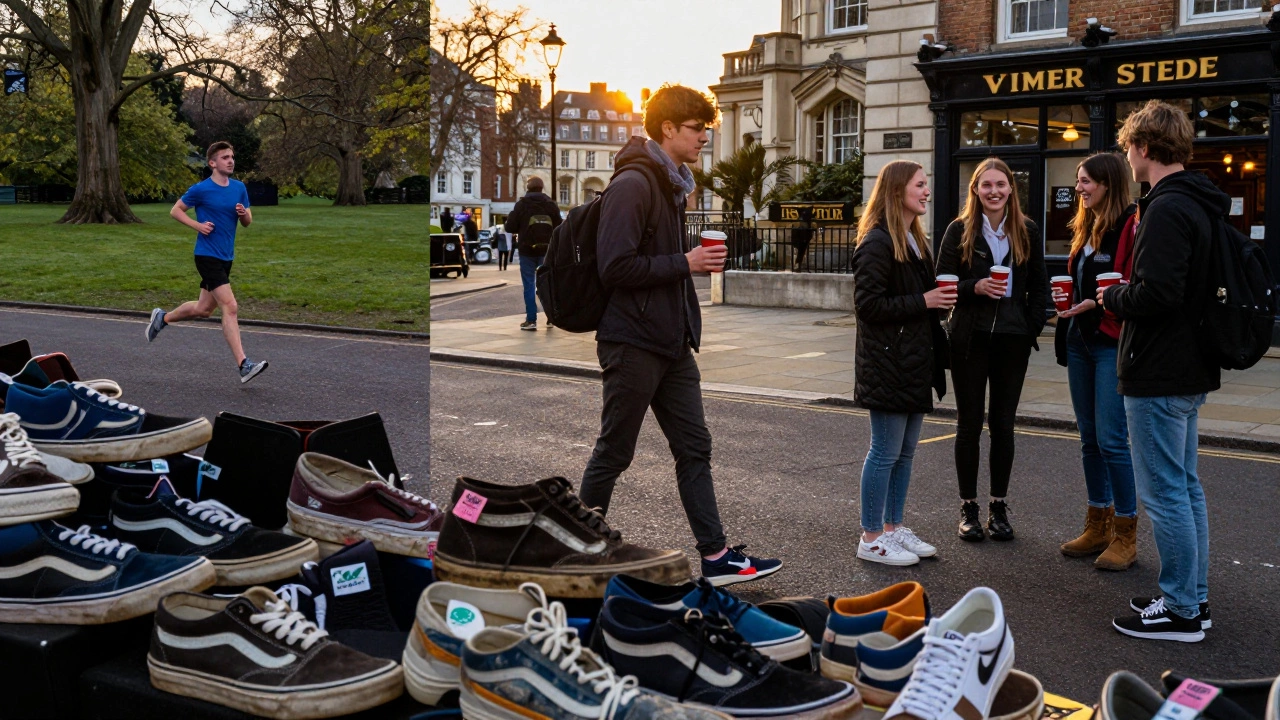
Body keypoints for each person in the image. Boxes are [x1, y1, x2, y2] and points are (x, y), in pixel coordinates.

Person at [579, 84, 780, 587]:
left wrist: (689, 266)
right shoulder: (633, 184)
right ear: (667, 128)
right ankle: (577, 545)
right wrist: (687, 262)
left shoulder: (671, 185)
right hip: (632, 341)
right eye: (696, 128)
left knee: (695, 448)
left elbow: (656, 259)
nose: (705, 137)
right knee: (614, 452)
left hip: (671, 342)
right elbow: (615, 267)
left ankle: (715, 557)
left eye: (706, 128)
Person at [1101, 100, 1223, 643]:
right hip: (1188, 366)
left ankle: (1180, 612)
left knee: (1167, 492)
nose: (1127, 156)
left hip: (1158, 369)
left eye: (1129, 147)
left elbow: (1160, 294)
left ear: (1145, 148)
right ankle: (1190, 598)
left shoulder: (1166, 208)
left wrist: (1115, 297)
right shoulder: (1198, 203)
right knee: (1186, 487)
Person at [936, 157, 1049, 542]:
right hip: (969, 338)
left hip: (1012, 342)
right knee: (969, 425)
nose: (994, 191)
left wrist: (1029, 328)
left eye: (1001, 185)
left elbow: (1040, 287)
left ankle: (998, 506)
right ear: (976, 190)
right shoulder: (958, 230)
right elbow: (945, 286)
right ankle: (969, 507)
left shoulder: (1027, 230)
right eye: (987, 185)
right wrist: (976, 288)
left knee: (1003, 425)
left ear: (1010, 190)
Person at [851, 160, 954, 567]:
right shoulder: (876, 242)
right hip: (888, 363)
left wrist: (944, 297)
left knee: (905, 453)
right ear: (897, 192)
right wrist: (925, 301)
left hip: (913, 361)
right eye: (920, 185)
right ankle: (871, 536)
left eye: (927, 185)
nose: (927, 191)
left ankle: (893, 528)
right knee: (884, 452)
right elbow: (867, 305)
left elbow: (915, 299)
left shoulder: (913, 240)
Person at [1054, 153, 1140, 571]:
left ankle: (1126, 533)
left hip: (1110, 343)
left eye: (1086, 181)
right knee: (1088, 439)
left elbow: (1134, 287)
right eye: (1078, 180)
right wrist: (1069, 302)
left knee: (1111, 440)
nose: (1080, 188)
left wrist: (1098, 303)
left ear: (1109, 182)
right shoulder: (1086, 226)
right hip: (1079, 342)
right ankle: (1097, 523)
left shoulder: (1132, 225)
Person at [146, 141, 268, 384]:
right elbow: (176, 210)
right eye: (225, 157)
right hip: (206, 255)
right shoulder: (200, 189)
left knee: (204, 309)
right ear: (212, 163)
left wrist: (244, 214)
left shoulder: (239, 188)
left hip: (226, 256)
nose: (231, 160)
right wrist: (197, 226)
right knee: (230, 306)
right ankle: (244, 365)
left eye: (232, 156)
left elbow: (247, 222)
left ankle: (163, 318)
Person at [504, 178, 561, 330]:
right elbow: (560, 227)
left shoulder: (522, 205)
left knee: (529, 285)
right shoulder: (551, 205)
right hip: (547, 251)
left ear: (528, 188)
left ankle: (531, 320)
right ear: (542, 188)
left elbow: (510, 227)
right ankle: (550, 317)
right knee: (547, 284)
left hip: (526, 251)